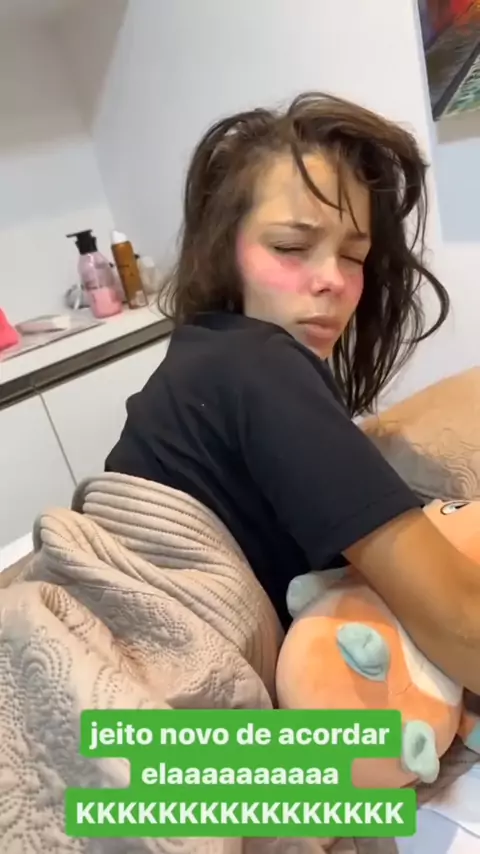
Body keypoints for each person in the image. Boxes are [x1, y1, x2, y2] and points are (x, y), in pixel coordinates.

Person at [106, 92, 480, 693]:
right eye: (290, 247)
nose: (333, 279)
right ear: (225, 249)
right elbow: (465, 628)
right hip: (152, 737)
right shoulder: (254, 364)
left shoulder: (203, 357)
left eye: (354, 256)